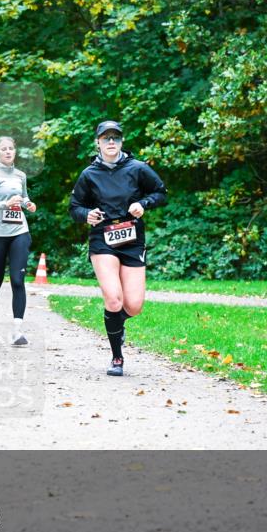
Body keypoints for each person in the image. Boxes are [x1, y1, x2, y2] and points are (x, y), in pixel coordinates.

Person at [68, 121, 167, 376]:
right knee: (113, 298)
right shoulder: (89, 174)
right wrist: (87, 214)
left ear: (122, 141)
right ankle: (117, 357)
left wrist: (143, 204)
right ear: (97, 142)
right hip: (103, 238)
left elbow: (160, 192)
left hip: (132, 237)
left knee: (133, 305)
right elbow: (75, 207)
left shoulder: (137, 168)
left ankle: (115, 324)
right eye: (106, 138)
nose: (111, 142)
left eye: (116, 138)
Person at [0, 136, 36, 346]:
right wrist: (5, 203)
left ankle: (17, 331)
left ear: (15, 151)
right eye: (4, 149)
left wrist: (28, 204)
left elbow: (24, 196)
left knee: (18, 280)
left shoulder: (20, 175)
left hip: (19, 231)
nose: (8, 152)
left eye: (11, 148)